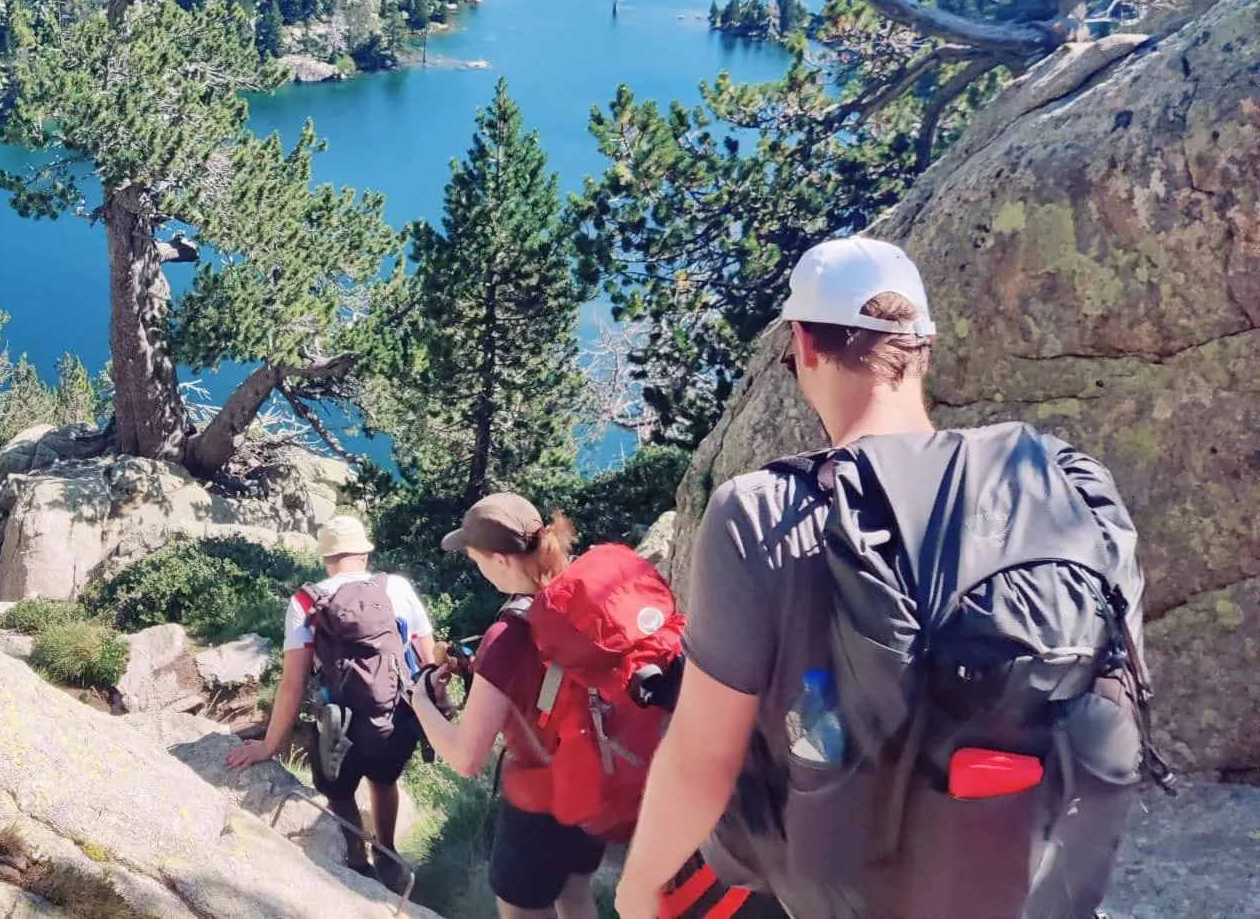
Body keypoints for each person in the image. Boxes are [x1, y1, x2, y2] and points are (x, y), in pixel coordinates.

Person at [614, 236, 1150, 919]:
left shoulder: (758, 514)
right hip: (1039, 887)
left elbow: (702, 759)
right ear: (922, 349)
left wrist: (637, 889)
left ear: (805, 348)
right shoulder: (1064, 485)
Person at [406, 493, 608, 919]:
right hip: (595, 777)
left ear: (499, 559)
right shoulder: (575, 597)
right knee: (573, 891)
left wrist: (420, 701)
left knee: (520, 910)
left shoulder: (507, 635)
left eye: (476, 559)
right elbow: (545, 683)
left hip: (540, 797)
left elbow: (465, 758)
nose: (477, 569)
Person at [225, 514, 435, 889]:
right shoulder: (397, 588)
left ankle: (356, 861)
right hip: (397, 717)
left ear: (326, 558)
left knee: (338, 792)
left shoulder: (306, 601)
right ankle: (387, 853)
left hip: (339, 722)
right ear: (364, 555)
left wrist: (268, 746)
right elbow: (426, 657)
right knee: (384, 782)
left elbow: (293, 681)